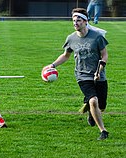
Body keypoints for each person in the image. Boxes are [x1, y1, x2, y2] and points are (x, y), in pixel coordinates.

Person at [43, 8, 109, 140]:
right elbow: (66, 55)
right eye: (73, 20)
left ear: (85, 21)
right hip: (82, 75)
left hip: (98, 75)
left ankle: (91, 112)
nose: (75, 23)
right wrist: (52, 65)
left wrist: (99, 70)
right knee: (93, 100)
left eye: (78, 20)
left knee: (101, 106)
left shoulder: (97, 37)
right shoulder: (71, 38)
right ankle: (103, 131)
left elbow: (104, 54)